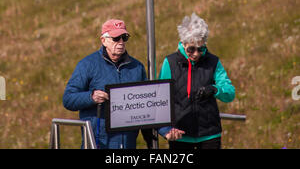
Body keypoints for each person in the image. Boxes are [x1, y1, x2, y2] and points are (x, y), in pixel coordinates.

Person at [63, 18, 182, 149]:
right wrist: (91, 97)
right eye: (116, 38)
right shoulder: (87, 65)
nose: (120, 42)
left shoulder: (137, 67)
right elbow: (68, 99)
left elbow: (148, 104)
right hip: (98, 143)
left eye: (124, 37)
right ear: (103, 40)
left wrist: (166, 130)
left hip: (128, 143)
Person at [158, 13, 235, 149]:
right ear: (183, 43)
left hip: (209, 135)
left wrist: (215, 89)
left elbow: (230, 94)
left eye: (201, 49)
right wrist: (165, 129)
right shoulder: (170, 62)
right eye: (191, 49)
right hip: (180, 135)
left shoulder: (213, 61)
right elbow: (161, 99)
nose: (196, 54)